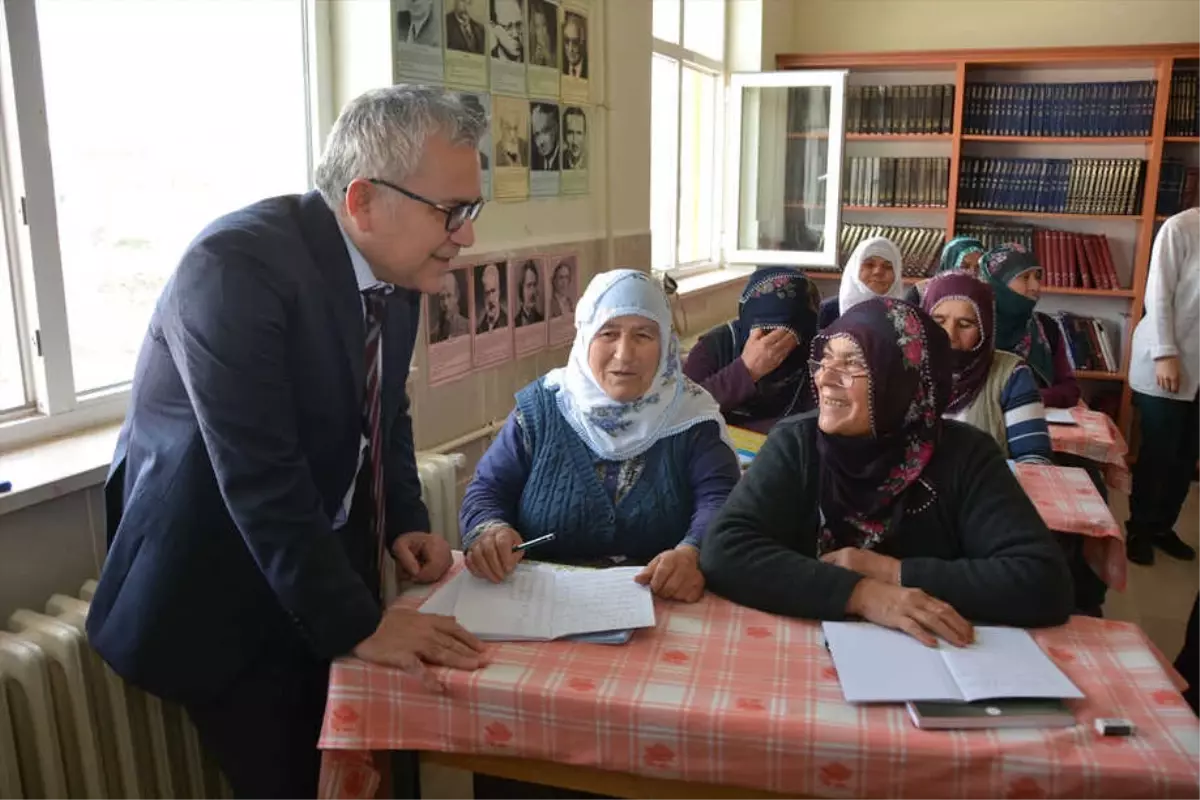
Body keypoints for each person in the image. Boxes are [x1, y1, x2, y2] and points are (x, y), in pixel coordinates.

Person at [84, 86, 490, 799]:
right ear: (363, 200)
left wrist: (403, 517)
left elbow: (384, 407)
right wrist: (360, 624)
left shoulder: (398, 274)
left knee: (362, 773)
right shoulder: (234, 267)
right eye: (451, 212)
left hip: (311, 573)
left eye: (472, 210)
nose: (468, 235)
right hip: (221, 602)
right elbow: (260, 476)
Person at [700, 298, 1073, 642]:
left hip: (935, 662)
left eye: (852, 364)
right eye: (825, 359)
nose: (825, 378)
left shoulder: (966, 456)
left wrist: (891, 573)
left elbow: (1042, 581)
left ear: (902, 378)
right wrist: (861, 593)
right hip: (805, 654)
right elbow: (725, 550)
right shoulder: (797, 444)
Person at [460, 269, 740, 597]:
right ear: (585, 337)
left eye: (643, 336)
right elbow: (486, 490)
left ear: (666, 343)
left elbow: (722, 501)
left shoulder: (692, 417)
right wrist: (490, 530)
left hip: (659, 605)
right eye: (608, 333)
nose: (624, 354)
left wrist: (692, 552)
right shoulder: (542, 409)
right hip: (541, 604)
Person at [1125, 208, 1200, 565]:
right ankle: (1139, 527)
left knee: (1187, 456)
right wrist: (1165, 353)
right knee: (1159, 453)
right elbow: (1159, 296)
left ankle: (1162, 527)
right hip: (1167, 361)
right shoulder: (1181, 227)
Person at [920, 271, 1052, 463]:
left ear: (985, 329)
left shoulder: (1011, 375)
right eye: (938, 322)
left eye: (965, 324)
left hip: (988, 490)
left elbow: (1034, 461)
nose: (949, 335)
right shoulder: (905, 371)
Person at [683, 268, 820, 434]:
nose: (775, 342)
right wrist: (746, 370)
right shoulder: (714, 347)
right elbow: (681, 413)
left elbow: (819, 420)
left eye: (788, 333)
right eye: (767, 330)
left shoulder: (817, 351)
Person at [980, 243, 1080, 409]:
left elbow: (1070, 389)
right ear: (998, 282)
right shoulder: (973, 327)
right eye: (1025, 277)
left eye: (1037, 277)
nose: (1036, 287)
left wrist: (1027, 397)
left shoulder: (1047, 327)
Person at [818, 236, 905, 329]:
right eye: (869, 265)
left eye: (888, 267)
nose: (878, 272)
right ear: (855, 268)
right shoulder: (829, 309)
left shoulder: (906, 313)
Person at [904, 235, 985, 304]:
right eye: (964, 266)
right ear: (949, 263)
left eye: (978, 267)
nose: (973, 272)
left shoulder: (985, 295)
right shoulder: (921, 292)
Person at [431, 271, 471, 343]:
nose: (445, 303)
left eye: (449, 296)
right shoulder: (434, 334)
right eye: (442, 297)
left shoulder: (467, 326)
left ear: (456, 296)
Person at [476, 262, 509, 332]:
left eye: (493, 291)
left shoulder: (508, 323)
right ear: (483, 296)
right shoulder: (479, 329)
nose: (490, 299)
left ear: (499, 291)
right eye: (487, 293)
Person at [530, 103, 560, 171]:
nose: (540, 141)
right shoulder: (534, 161)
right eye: (537, 134)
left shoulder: (564, 160)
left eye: (546, 131)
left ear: (556, 128)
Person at [514, 260, 544, 326]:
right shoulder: (514, 323)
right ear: (521, 290)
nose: (533, 291)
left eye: (534, 285)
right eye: (529, 286)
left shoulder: (542, 320)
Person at [529, 0, 556, 67]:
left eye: (544, 25)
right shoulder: (534, 50)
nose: (540, 32)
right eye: (537, 26)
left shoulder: (557, 49)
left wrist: (547, 55)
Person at [562, 13, 587, 78]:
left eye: (575, 42)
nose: (570, 49)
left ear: (583, 42)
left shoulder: (590, 70)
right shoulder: (561, 67)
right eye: (567, 41)